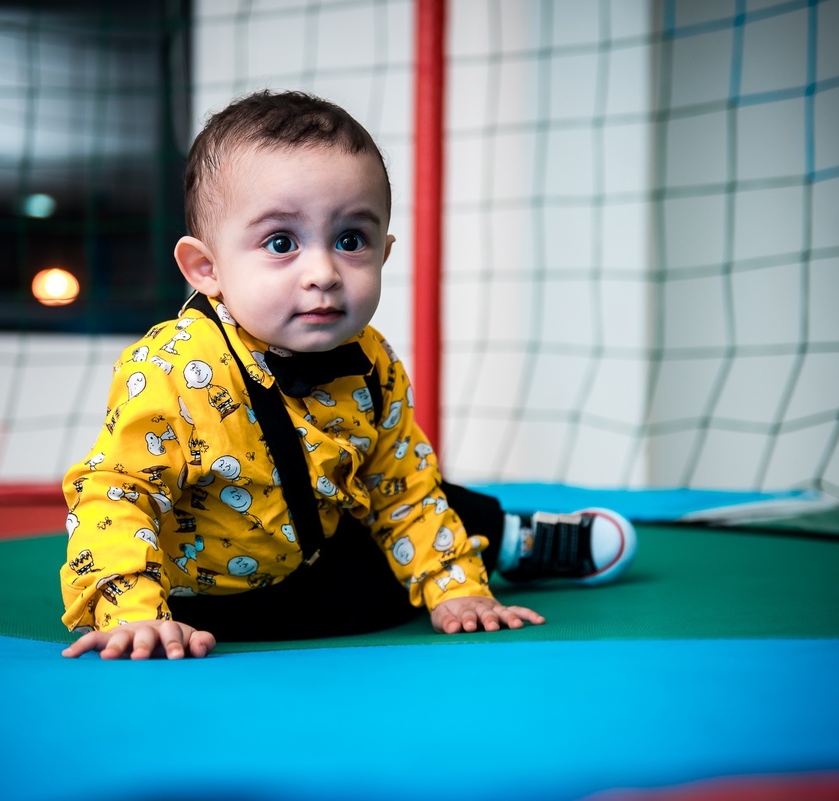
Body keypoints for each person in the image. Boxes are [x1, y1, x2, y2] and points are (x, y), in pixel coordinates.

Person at [60, 90, 637, 660]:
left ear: (384, 253)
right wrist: (132, 613)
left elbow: (401, 485)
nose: (323, 272)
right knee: (366, 580)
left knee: (419, 503)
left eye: (350, 240)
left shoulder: (371, 359)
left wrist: (456, 590)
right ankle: (498, 540)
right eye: (281, 242)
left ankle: (511, 542)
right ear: (206, 268)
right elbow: (117, 493)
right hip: (204, 604)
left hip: (317, 557)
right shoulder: (173, 369)